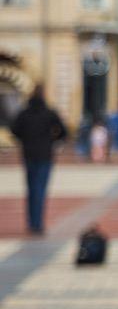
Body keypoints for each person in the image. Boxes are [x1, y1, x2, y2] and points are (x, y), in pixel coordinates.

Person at [9, 85, 66, 235]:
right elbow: (63, 131)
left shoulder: (24, 113)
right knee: (40, 189)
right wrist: (52, 140)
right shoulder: (49, 113)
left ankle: (32, 222)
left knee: (31, 189)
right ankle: (38, 223)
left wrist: (25, 140)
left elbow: (14, 130)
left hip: (28, 154)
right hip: (45, 154)